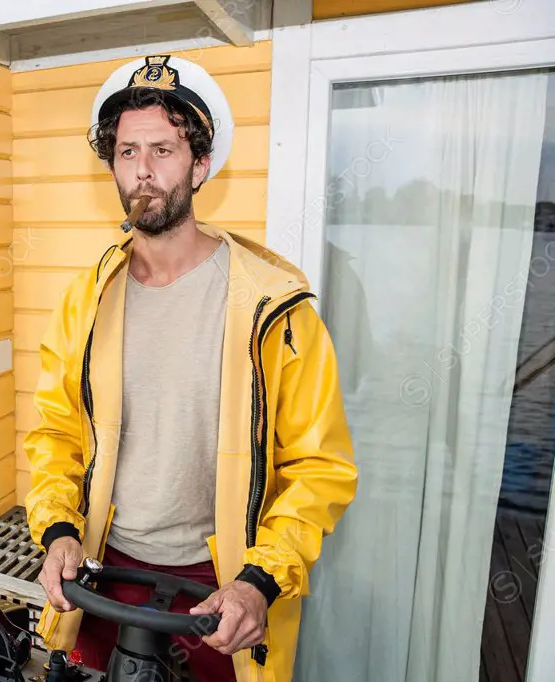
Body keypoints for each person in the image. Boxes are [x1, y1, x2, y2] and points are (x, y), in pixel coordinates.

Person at [23, 54, 359, 682]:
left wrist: (261, 581)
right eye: (126, 152)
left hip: (219, 599)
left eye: (163, 150)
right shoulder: (87, 300)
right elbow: (56, 435)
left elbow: (319, 468)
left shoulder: (275, 307)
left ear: (201, 164)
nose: (142, 171)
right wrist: (59, 531)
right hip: (101, 576)